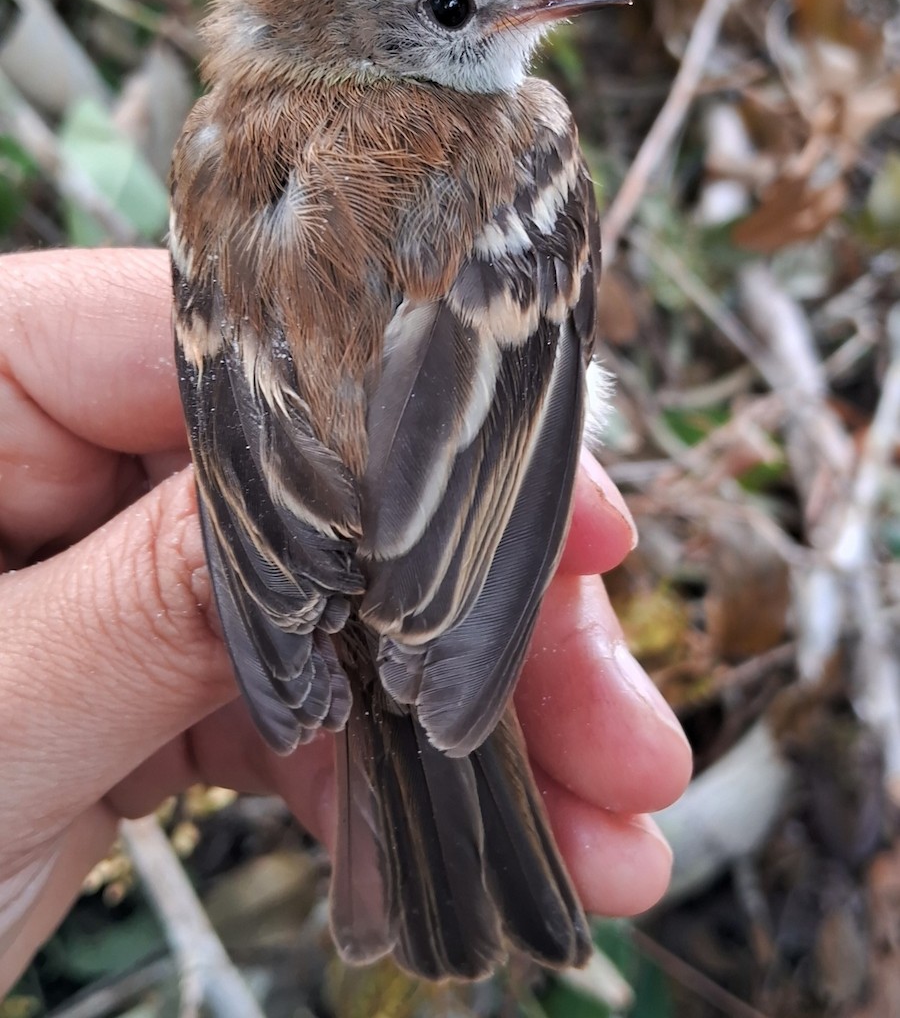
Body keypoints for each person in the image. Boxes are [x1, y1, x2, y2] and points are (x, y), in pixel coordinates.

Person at [0, 248, 692, 993]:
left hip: (295, 511)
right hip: (452, 522)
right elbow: (537, 392)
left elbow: (227, 401)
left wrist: (272, 570)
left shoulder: (217, 161)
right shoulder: (518, 134)